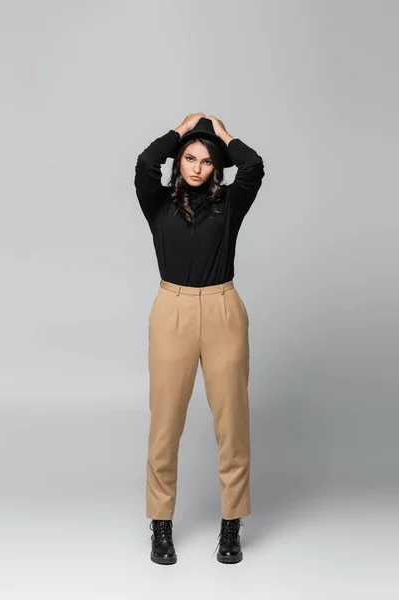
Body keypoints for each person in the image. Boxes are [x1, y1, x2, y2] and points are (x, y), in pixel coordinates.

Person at [133, 113, 265, 565]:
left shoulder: (230, 203)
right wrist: (180, 128)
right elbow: (144, 164)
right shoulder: (157, 203)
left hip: (224, 310)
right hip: (172, 310)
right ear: (179, 160)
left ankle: (232, 526)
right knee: (165, 423)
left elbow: (255, 167)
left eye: (207, 161)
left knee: (233, 424)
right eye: (189, 157)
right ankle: (161, 525)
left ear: (216, 168)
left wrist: (223, 133)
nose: (195, 167)